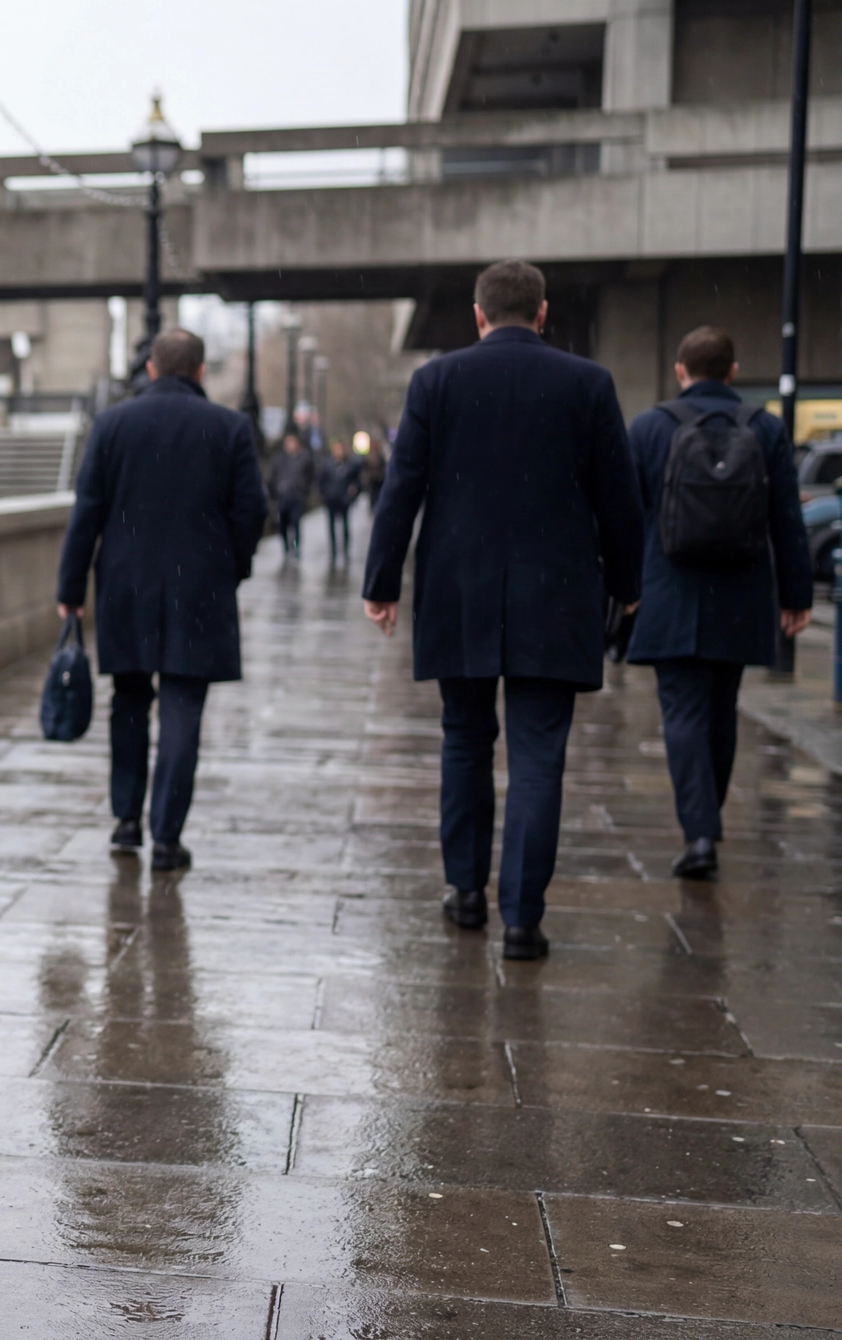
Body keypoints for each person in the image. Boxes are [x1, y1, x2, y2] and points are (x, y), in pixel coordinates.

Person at [362, 260, 645, 961]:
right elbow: (619, 499)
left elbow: (403, 489)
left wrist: (382, 583)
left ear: (479, 315)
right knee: (538, 756)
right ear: (543, 313)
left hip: (460, 587)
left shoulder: (437, 381)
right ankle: (522, 919)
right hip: (556, 590)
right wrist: (629, 583)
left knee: (464, 740)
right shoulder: (588, 383)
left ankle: (465, 893)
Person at [56, 327, 267, 872]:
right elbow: (253, 513)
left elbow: (88, 514)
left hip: (126, 585)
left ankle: (127, 820)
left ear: (151, 368)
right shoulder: (229, 427)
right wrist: (232, 568)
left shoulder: (112, 425)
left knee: (129, 702)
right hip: (199, 587)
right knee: (182, 710)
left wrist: (71, 589)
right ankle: (167, 836)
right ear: (199, 371)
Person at [624, 325, 815, 878]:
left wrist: (624, 587)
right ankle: (709, 819)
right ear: (733, 372)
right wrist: (796, 596)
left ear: (680, 371)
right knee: (721, 708)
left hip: (670, 592)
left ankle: (699, 832)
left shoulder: (650, 428)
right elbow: (788, 520)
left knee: (682, 711)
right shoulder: (767, 430)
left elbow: (627, 517)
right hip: (740, 592)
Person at [267, 432, 315, 559]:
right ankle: (286, 548)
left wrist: (305, 491)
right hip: (283, 498)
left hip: (297, 497)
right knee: (283, 525)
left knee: (295, 523)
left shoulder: (304, 458)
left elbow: (310, 476)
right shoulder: (279, 459)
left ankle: (296, 547)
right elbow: (272, 478)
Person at [317, 435, 364, 566]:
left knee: (345, 526)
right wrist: (324, 494)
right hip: (331, 499)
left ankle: (345, 550)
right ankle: (333, 550)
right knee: (331, 526)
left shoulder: (350, 464)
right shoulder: (327, 464)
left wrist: (352, 494)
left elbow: (357, 481)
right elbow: (321, 480)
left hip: (344, 500)